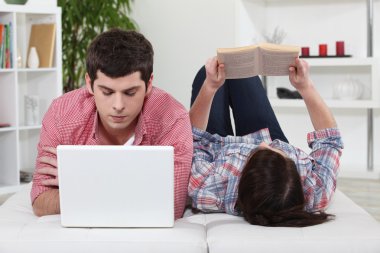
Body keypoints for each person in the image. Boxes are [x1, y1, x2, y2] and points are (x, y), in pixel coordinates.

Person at [31, 28, 193, 220]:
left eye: (130, 93)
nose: (118, 106)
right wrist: (131, 190)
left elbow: (171, 206)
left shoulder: (172, 119)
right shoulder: (62, 114)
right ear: (89, 83)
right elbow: (40, 201)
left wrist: (84, 185)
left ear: (149, 84)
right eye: (107, 92)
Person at [188, 57, 343, 227]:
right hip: (262, 149)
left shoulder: (211, 188)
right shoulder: (315, 191)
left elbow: (195, 139)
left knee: (206, 75)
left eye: (256, 152)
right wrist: (305, 87)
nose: (263, 143)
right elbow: (330, 140)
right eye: (279, 152)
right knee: (242, 70)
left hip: (218, 147)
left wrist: (210, 86)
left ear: (242, 180)